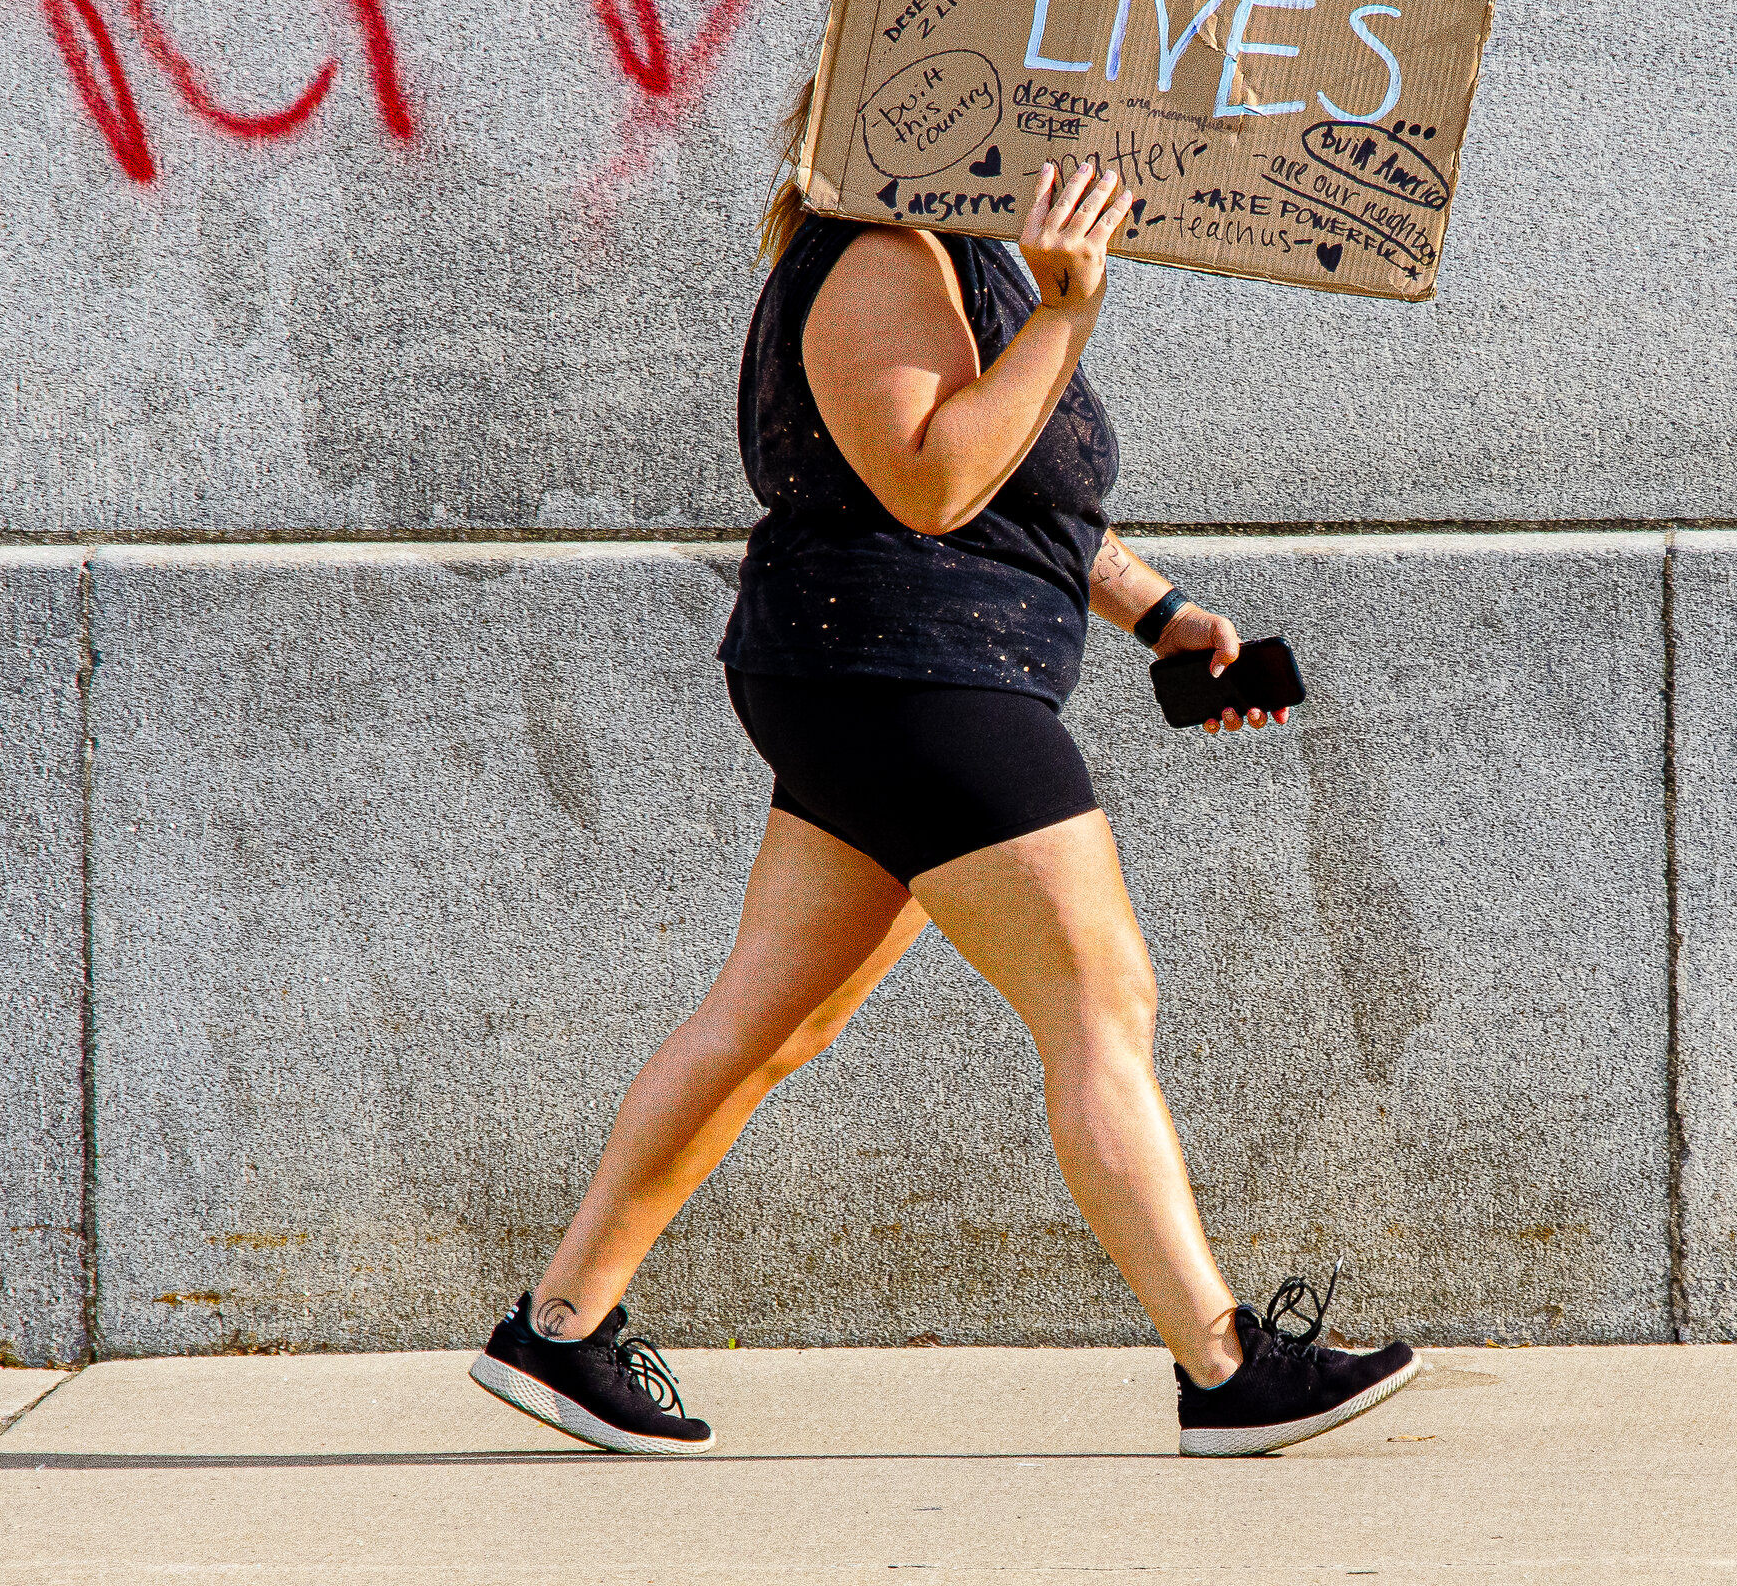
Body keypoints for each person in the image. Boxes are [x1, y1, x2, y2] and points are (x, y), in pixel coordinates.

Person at [469, 90, 1420, 1457]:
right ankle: (1222, 1367)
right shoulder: (883, 260)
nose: (1058, 134)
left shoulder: (965, 258)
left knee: (776, 1019)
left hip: (899, 677)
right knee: (1100, 994)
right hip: (908, 679)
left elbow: (1029, 503)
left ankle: (558, 1330)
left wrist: (1162, 616)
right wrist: (1068, 315)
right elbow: (931, 483)